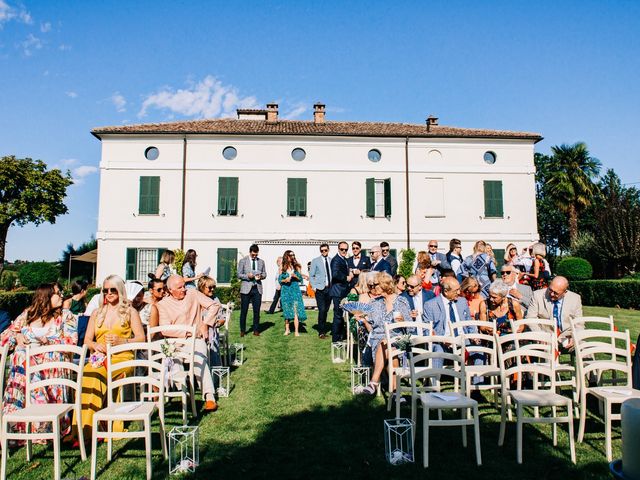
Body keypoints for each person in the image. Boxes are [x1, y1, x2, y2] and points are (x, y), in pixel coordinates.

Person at [1, 284, 77, 435]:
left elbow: (71, 342)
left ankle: (33, 418)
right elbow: (4, 337)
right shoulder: (27, 314)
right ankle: (26, 419)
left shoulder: (65, 316)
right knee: (21, 355)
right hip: (27, 363)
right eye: (57, 293)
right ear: (46, 297)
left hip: (52, 363)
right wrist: (17, 336)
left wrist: (48, 342)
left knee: (23, 358)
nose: (61, 295)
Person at [78, 275, 145, 438]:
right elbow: (86, 340)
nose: (109, 293)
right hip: (99, 358)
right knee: (88, 374)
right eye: (105, 290)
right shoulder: (97, 313)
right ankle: (85, 428)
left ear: (120, 291)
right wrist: (95, 345)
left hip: (122, 357)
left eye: (113, 290)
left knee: (95, 374)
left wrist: (122, 341)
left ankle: (92, 427)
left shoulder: (130, 312)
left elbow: (141, 338)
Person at [150, 275, 221, 411]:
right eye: (180, 287)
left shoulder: (193, 293)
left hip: (196, 339)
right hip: (175, 341)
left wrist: (205, 324)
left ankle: (209, 397)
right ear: (170, 290)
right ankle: (185, 395)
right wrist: (189, 332)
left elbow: (214, 305)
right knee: (175, 363)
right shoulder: (163, 305)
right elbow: (165, 329)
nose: (184, 289)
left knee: (199, 359)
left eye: (184, 285)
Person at [360, 272, 412, 394]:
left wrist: (403, 321)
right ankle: (395, 393)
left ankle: (373, 381)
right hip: (379, 339)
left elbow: (410, 328)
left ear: (384, 285)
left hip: (400, 338)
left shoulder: (402, 301)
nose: (372, 288)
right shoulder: (374, 303)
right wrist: (363, 319)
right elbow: (370, 324)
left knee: (387, 344)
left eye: (375, 285)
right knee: (388, 347)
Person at [526, 276, 583, 351]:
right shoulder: (537, 295)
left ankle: (588, 363)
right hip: (546, 335)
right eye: (550, 290)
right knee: (548, 351)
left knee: (585, 348)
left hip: (568, 336)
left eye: (556, 293)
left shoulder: (575, 298)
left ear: (565, 292)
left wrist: (575, 336)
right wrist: (541, 335)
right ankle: (550, 363)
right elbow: (530, 318)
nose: (552, 294)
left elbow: (579, 324)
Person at [237, 244, 266, 337]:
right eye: (253, 255)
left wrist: (261, 276)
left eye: (256, 255)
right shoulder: (243, 261)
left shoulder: (261, 262)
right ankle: (242, 330)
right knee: (244, 310)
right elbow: (239, 274)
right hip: (246, 289)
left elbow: (265, 274)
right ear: (250, 252)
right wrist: (247, 276)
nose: (255, 256)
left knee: (257, 311)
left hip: (257, 288)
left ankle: (256, 330)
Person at [197, 276, 226, 366]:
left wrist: (217, 323)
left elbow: (222, 318)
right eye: (210, 287)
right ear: (202, 287)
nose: (212, 289)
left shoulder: (215, 299)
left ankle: (213, 371)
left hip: (211, 331)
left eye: (214, 287)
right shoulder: (196, 298)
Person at [329, 241, 354, 342]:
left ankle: (340, 336)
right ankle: (336, 339)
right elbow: (335, 274)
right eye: (342, 249)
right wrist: (346, 277)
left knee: (341, 316)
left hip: (342, 291)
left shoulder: (343, 259)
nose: (344, 251)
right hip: (338, 291)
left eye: (346, 249)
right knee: (338, 315)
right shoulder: (336, 260)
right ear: (338, 249)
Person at [279, 250, 307, 336]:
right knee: (287, 309)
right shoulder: (282, 266)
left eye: (293, 255)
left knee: (295, 310)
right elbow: (280, 280)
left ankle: (296, 331)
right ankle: (287, 330)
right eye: (290, 255)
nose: (292, 257)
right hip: (286, 290)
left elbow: (301, 280)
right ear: (286, 256)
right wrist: (285, 280)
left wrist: (296, 276)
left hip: (295, 289)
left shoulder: (297, 266)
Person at [309, 244, 332, 338]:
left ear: (328, 250)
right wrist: (314, 287)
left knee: (326, 310)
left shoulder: (331, 260)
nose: (324, 252)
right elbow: (311, 275)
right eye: (322, 251)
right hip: (320, 289)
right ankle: (321, 332)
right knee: (322, 310)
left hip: (330, 288)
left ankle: (323, 328)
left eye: (325, 250)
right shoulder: (315, 261)